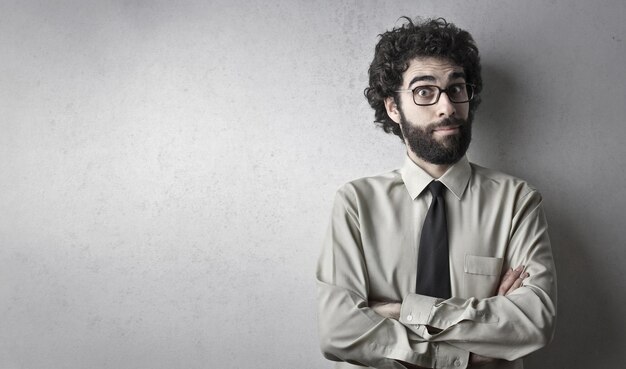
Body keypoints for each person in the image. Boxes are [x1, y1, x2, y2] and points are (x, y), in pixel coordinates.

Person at [315, 17, 557, 369]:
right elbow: (339, 331)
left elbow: (533, 322)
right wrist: (465, 352)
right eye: (425, 91)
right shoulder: (356, 203)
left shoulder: (517, 201)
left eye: (456, 88)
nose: (447, 107)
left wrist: (402, 312)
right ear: (393, 107)